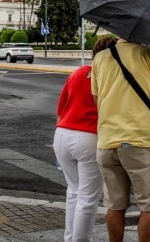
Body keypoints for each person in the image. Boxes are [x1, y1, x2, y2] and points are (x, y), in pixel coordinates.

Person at [91, 38, 150, 242]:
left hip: (107, 141)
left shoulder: (100, 57)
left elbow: (96, 99)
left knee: (114, 205)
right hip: (140, 140)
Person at [53, 37, 116, 242]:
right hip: (88, 137)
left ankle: (70, 238)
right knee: (88, 198)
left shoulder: (78, 72)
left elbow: (60, 109)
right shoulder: (110, 77)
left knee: (74, 191)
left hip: (62, 135)